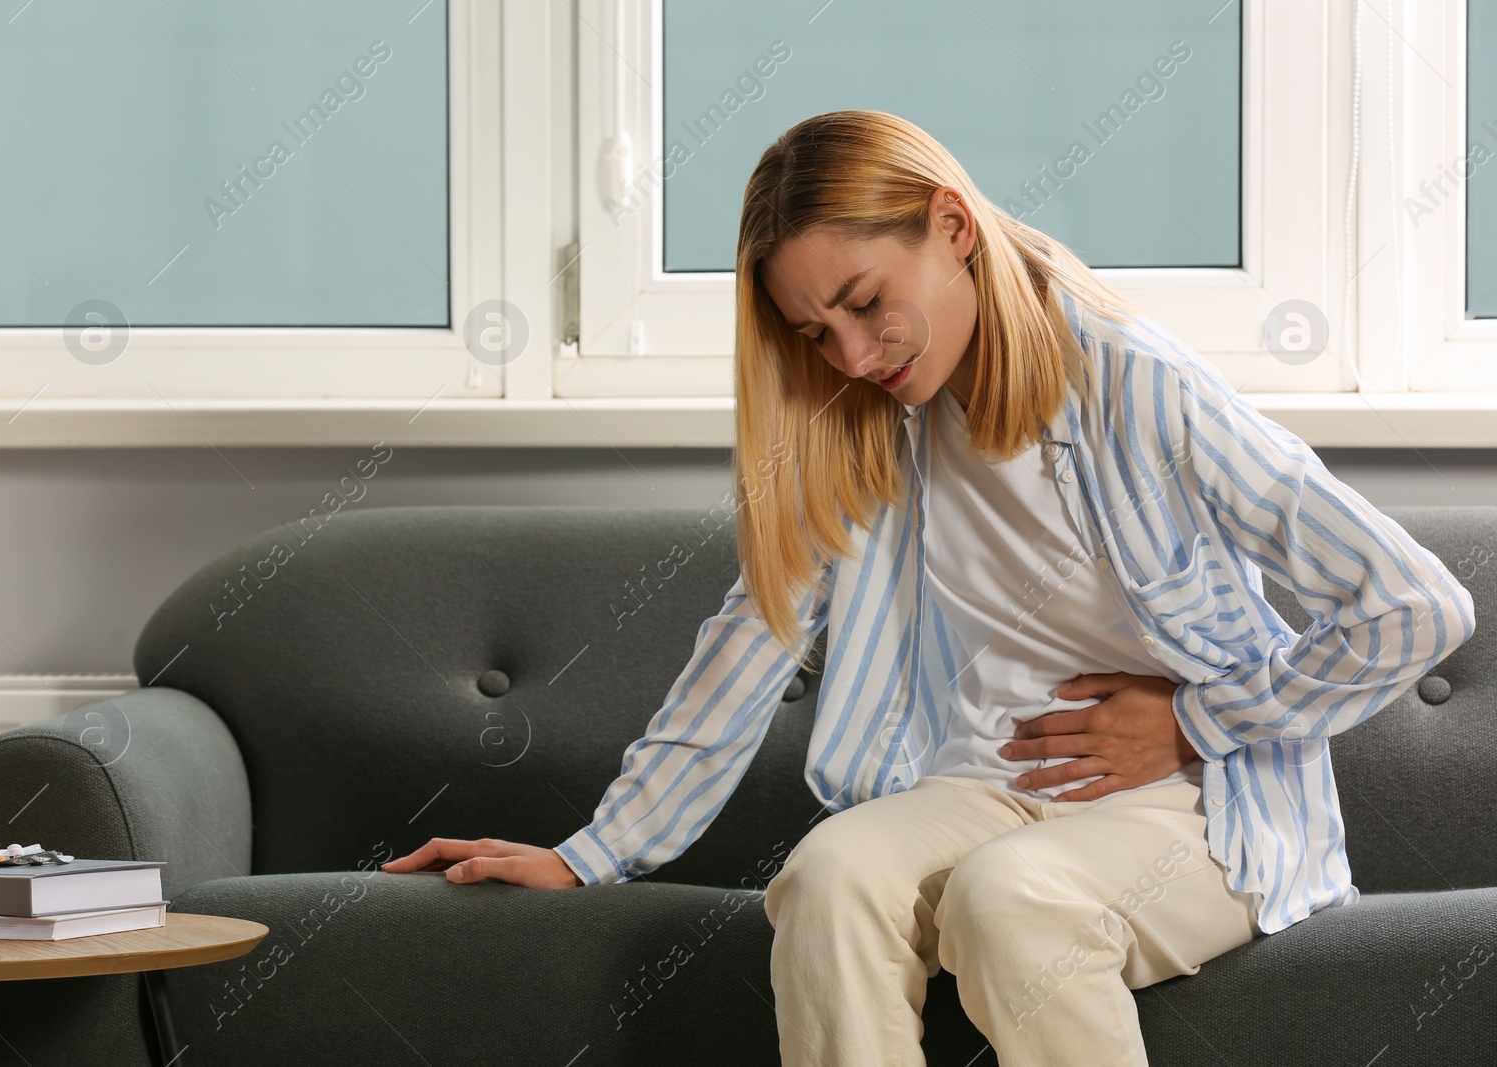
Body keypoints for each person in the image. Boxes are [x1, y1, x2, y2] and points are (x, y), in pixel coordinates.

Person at [381, 110, 1476, 1066]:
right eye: (817, 333)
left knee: (1010, 899)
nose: (852, 355)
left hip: (1198, 808)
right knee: (827, 878)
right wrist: (589, 853)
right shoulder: (868, 423)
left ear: (951, 227)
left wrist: (1194, 719)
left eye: (865, 302)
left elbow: (1417, 607)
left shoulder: (1142, 388)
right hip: (988, 784)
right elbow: (752, 635)